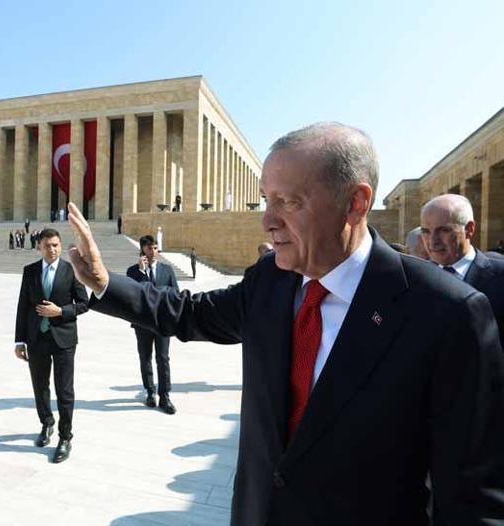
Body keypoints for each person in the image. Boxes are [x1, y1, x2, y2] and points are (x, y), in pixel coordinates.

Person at [66, 122, 504, 525]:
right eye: (265, 200)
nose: (267, 221)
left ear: (355, 203)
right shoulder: (270, 282)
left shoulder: (445, 312)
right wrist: (104, 283)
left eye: (289, 202)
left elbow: (470, 499)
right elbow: (190, 313)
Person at [14, 228, 88, 464]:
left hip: (64, 339)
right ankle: (47, 423)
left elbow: (85, 304)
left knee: (64, 390)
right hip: (37, 339)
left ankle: (65, 437)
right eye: (48, 245)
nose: (52, 249)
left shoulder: (71, 271)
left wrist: (61, 311)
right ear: (39, 247)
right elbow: (23, 306)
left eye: (56, 245)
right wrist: (19, 340)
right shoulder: (30, 271)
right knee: (40, 386)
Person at [420, 193, 504, 347]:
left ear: (469, 229)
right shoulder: (416, 277)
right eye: (426, 231)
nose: (433, 241)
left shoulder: (500, 277)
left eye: (444, 230)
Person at [126, 235, 179, 413]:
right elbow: (134, 294)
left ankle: (165, 396)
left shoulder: (167, 270)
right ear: (142, 250)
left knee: (163, 358)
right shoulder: (133, 272)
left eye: (155, 248)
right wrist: (142, 273)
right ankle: (150, 391)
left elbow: (175, 294)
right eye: (149, 249)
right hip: (142, 323)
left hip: (163, 322)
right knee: (145, 357)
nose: (153, 252)